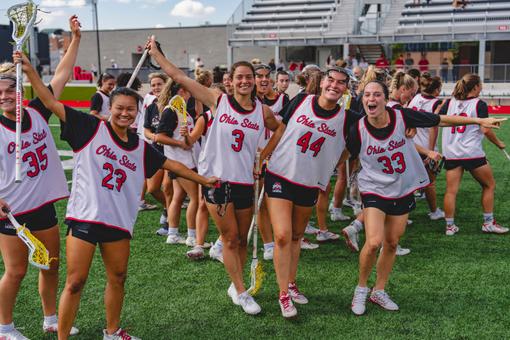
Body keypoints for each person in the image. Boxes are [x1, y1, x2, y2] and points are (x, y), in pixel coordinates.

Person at [17, 51, 218, 340]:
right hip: (85, 218)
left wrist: (203, 180)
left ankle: (112, 332)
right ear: (111, 107)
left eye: (130, 110)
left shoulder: (139, 146)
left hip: (118, 223)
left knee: (118, 278)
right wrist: (30, 72)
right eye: (120, 108)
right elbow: (49, 101)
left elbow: (170, 164)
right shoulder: (88, 128)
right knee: (75, 282)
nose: (125, 113)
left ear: (137, 112)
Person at [147, 36, 280, 315]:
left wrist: (263, 156)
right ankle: (241, 292)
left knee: (242, 240)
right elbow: (179, 76)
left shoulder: (262, 111)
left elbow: (280, 129)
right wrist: (157, 55)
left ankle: (237, 284)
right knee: (230, 238)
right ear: (230, 80)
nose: (245, 81)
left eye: (249, 77)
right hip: (216, 180)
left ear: (255, 81)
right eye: (239, 77)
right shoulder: (218, 100)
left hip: (245, 181)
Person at [348, 80, 504, 316]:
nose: (372, 99)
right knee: (373, 242)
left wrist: (478, 120)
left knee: (391, 243)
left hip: (402, 186)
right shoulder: (356, 128)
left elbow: (440, 120)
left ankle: (378, 290)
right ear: (363, 99)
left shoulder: (402, 116)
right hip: (374, 189)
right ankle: (360, 289)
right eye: (368, 95)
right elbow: (345, 154)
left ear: (384, 97)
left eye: (377, 94)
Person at [0, 16, 82, 340]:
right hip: (12, 212)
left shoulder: (38, 111)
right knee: (17, 271)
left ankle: (50, 318)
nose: (5, 95)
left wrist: (75, 39)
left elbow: (61, 74)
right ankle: (4, 327)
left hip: (42, 206)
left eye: (11, 89)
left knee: (50, 264)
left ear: (21, 90)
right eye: (0, 91)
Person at [261, 67, 362, 318]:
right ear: (322, 82)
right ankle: (283, 294)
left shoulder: (348, 119)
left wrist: (330, 165)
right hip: (280, 174)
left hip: (309, 183)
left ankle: (291, 283)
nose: (334, 86)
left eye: (341, 83)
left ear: (345, 88)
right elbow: (281, 131)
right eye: (331, 80)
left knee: (295, 236)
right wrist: (262, 157)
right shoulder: (301, 100)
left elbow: (349, 151)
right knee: (283, 235)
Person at [440, 74, 508, 235]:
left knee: (451, 191)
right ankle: (488, 223)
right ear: (475, 87)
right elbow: (485, 129)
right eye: (480, 86)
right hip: (471, 153)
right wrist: (499, 143)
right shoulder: (479, 104)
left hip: (451, 152)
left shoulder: (449, 102)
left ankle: (449, 226)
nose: (482, 88)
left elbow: (438, 120)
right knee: (489, 185)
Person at [408, 74, 446, 220]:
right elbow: (433, 128)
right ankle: (434, 212)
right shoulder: (437, 103)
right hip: (425, 146)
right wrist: (430, 151)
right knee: (430, 183)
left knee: (409, 181)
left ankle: (404, 214)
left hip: (412, 144)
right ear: (436, 89)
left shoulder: (415, 98)